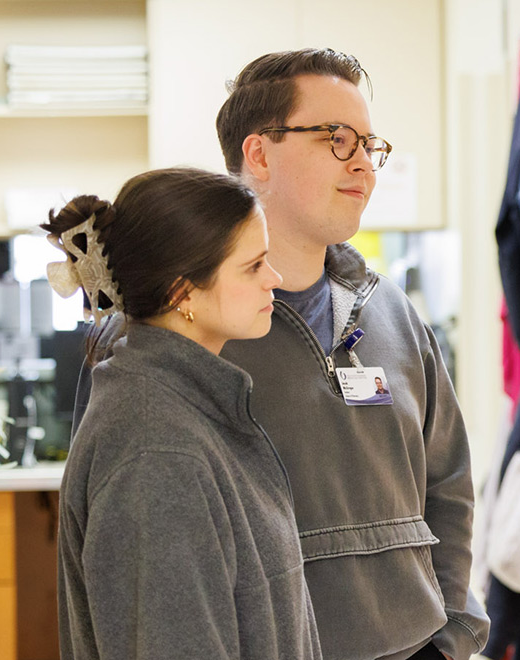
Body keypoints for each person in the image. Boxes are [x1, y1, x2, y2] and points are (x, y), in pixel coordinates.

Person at [215, 49, 486, 660]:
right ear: (258, 154)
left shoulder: (392, 310)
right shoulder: (189, 322)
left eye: (369, 144)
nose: (363, 163)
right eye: (337, 139)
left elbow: (448, 483)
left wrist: (451, 637)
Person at [50, 168, 319, 659]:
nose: (274, 279)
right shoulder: (157, 451)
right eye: (254, 266)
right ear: (183, 293)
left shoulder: (186, 406)